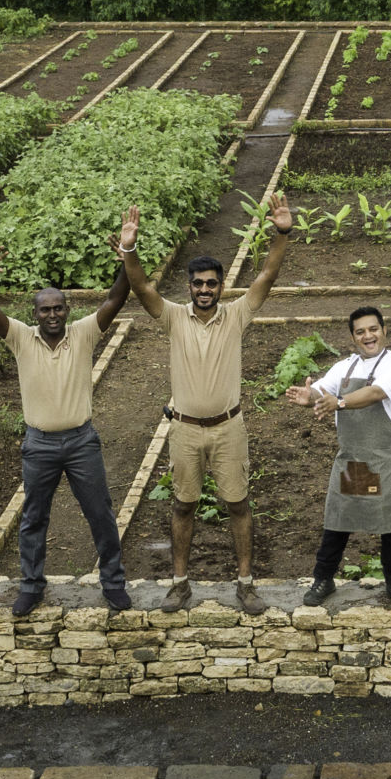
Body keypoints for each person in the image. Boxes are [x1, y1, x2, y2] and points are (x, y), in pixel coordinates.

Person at [116, 195, 296, 614]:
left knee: (238, 503)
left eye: (211, 283)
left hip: (228, 427)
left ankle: (246, 583)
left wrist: (281, 232)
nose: (204, 290)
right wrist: (129, 248)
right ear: (189, 287)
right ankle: (179, 583)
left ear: (220, 286)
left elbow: (267, 275)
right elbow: (141, 288)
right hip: (184, 428)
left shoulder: (235, 315)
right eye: (197, 283)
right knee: (183, 503)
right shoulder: (174, 317)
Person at [0, 248, 134, 617]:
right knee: (34, 517)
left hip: (81, 442)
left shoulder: (83, 334)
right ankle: (31, 585)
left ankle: (112, 583)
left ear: (68, 309)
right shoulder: (20, 338)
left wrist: (126, 262)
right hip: (39, 444)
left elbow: (115, 298)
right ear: (34, 314)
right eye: (44, 309)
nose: (52, 315)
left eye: (58, 308)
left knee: (100, 513)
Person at [289, 307, 391, 608]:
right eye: (360, 331)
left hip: (387, 461)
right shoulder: (345, 368)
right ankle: (324, 578)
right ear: (353, 337)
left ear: (384, 331)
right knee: (339, 519)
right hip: (356, 461)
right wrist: (308, 397)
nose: (368, 336)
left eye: (373, 329)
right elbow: (322, 391)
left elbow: (375, 394)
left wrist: (341, 401)